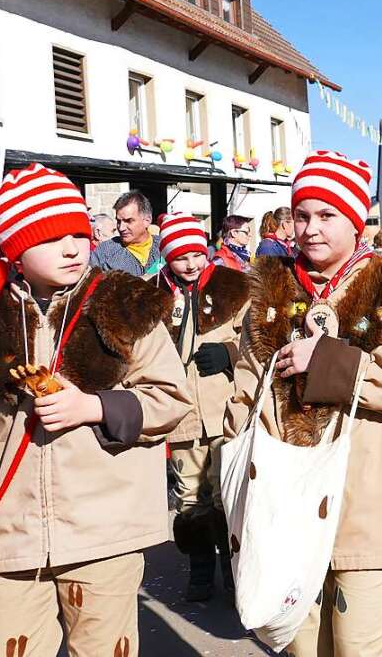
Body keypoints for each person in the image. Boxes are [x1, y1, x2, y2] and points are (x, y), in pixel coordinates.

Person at [0, 163, 191, 656]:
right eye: (51, 238)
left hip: (103, 533)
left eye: (78, 232)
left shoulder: (123, 303)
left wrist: (93, 406)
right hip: (11, 537)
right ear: (14, 249)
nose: (73, 247)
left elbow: (170, 397)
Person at [225, 150, 382, 657]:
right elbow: (246, 385)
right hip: (286, 505)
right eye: (301, 215)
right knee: (303, 647)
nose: (311, 229)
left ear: (356, 220)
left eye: (327, 215)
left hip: (367, 503)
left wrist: (325, 364)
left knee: (360, 647)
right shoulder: (271, 287)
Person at [147, 213, 248, 602]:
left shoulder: (233, 287)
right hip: (183, 413)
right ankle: (200, 566)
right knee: (190, 494)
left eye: (196, 255)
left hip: (225, 409)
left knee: (228, 491)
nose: (190, 265)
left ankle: (234, 567)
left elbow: (259, 340)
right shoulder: (152, 295)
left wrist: (229, 352)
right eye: (179, 257)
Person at [89, 191, 162, 276]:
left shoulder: (164, 246)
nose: (121, 228)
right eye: (119, 221)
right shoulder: (105, 252)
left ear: (147, 220)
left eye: (128, 221)